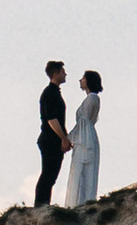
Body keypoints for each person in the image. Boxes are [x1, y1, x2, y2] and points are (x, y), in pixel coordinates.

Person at [33, 60, 69, 207]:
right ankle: (40, 205)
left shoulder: (54, 93)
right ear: (55, 74)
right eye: (62, 71)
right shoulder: (49, 93)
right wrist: (63, 138)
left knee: (51, 175)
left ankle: (43, 204)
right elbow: (51, 119)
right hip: (50, 140)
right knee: (48, 174)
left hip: (53, 140)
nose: (65, 74)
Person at [68, 69, 102, 208]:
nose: (80, 80)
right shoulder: (92, 98)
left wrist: (69, 138)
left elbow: (84, 120)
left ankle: (81, 202)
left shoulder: (92, 98)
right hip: (86, 135)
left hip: (85, 136)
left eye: (83, 78)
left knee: (83, 168)